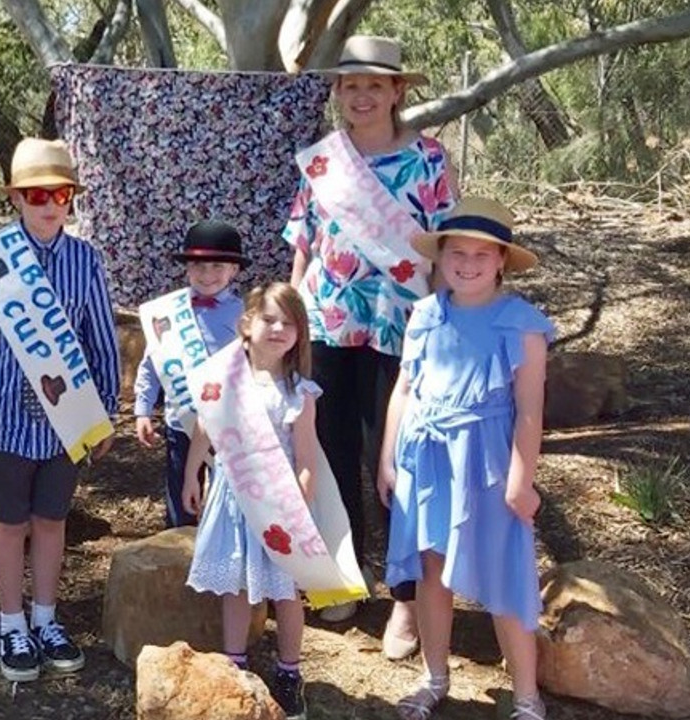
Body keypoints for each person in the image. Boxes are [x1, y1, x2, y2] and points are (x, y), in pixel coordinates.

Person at [285, 35, 458, 642]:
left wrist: (444, 327)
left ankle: (406, 596)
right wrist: (291, 323)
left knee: (395, 459)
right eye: (350, 85)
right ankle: (343, 577)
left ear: (397, 91)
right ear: (339, 92)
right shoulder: (321, 160)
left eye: (374, 85)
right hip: (329, 325)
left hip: (402, 328)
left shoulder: (430, 159)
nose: (361, 96)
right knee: (330, 454)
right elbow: (302, 249)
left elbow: (445, 251)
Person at [0, 138, 121, 682]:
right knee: (7, 523)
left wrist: (104, 413)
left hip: (65, 425)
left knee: (51, 521)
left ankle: (46, 618)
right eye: (37, 194)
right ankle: (11, 622)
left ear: (72, 199)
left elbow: (102, 342)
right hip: (5, 423)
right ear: (16, 199)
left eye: (60, 194)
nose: (50, 205)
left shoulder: (85, 260)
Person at [377, 197, 551, 720]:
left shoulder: (521, 324)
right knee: (432, 569)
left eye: (482, 254)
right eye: (457, 252)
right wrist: (388, 457)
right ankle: (434, 676)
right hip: (426, 455)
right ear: (441, 257)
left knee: (503, 568)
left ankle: (526, 694)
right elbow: (405, 388)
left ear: (501, 260)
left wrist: (523, 479)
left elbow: (529, 411)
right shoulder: (426, 313)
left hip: (487, 459)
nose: (468, 263)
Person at [182, 282, 322, 720]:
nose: (278, 329)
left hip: (276, 504)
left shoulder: (300, 392)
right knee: (237, 584)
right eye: (269, 319)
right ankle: (234, 661)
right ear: (247, 323)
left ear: (301, 333)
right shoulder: (225, 377)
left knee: (286, 592)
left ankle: (289, 670)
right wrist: (192, 472)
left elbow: (306, 454)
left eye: (289, 322)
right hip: (232, 494)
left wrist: (301, 499)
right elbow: (205, 428)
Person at [134, 219, 247, 527]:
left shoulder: (245, 315)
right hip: (181, 421)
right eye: (198, 266)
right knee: (181, 500)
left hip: (228, 425)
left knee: (230, 504)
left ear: (234, 270)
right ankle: (178, 560)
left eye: (217, 266)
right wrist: (143, 409)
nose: (207, 274)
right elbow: (151, 364)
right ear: (186, 268)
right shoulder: (168, 312)